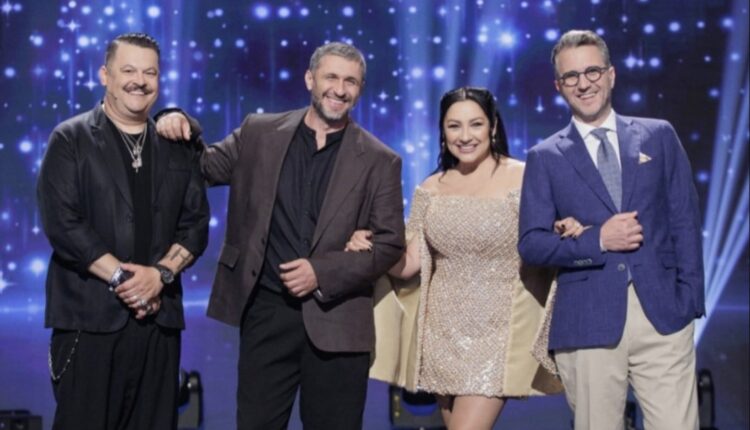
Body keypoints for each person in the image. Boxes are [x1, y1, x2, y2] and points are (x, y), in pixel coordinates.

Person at [155, 42, 405, 429]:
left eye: (351, 81)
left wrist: (321, 272)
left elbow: (389, 243)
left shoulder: (380, 159)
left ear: (360, 90)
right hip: (267, 312)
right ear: (310, 79)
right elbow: (203, 167)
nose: (340, 89)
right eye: (331, 77)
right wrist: (175, 120)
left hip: (338, 319)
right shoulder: (259, 132)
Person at [518, 29, 705, 430]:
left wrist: (689, 301)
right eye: (571, 76)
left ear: (611, 74)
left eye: (592, 71)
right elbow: (532, 244)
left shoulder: (659, 135)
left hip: (664, 316)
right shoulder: (545, 157)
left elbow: (684, 221)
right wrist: (597, 239)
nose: (583, 83)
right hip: (587, 321)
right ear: (558, 86)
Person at [347, 87, 562, 430]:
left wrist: (568, 227)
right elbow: (409, 264)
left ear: (492, 126)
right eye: (454, 126)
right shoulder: (432, 187)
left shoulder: (525, 177)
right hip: (440, 334)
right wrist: (375, 246)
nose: (465, 136)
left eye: (475, 124)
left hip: (499, 333)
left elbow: (549, 237)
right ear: (443, 131)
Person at [37, 32, 210, 430]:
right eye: (128, 70)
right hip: (89, 321)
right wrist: (124, 280)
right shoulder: (70, 138)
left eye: (150, 72)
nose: (140, 81)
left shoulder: (177, 145)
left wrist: (160, 275)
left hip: (159, 322)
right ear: (105, 75)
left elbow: (196, 225)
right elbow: (63, 224)